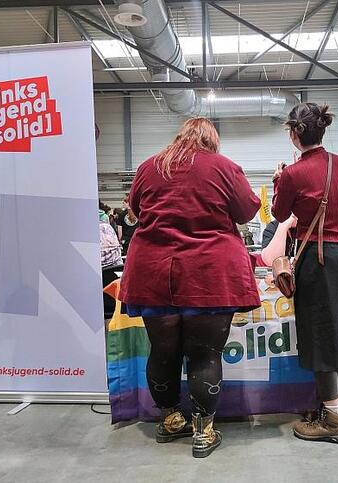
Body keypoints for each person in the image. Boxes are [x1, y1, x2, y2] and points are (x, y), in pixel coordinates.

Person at [118, 117, 260, 458]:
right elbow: (246, 211)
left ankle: (170, 421)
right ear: (212, 141)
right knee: (205, 353)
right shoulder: (224, 168)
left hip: (154, 271)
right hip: (208, 272)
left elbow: (135, 209)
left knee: (161, 350)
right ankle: (203, 432)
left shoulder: (149, 167)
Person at [272, 103, 338, 444]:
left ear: (294, 134)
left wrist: (278, 181)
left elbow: (279, 214)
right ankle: (337, 410)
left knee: (321, 334)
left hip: (318, 257)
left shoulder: (293, 174)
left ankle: (332, 422)